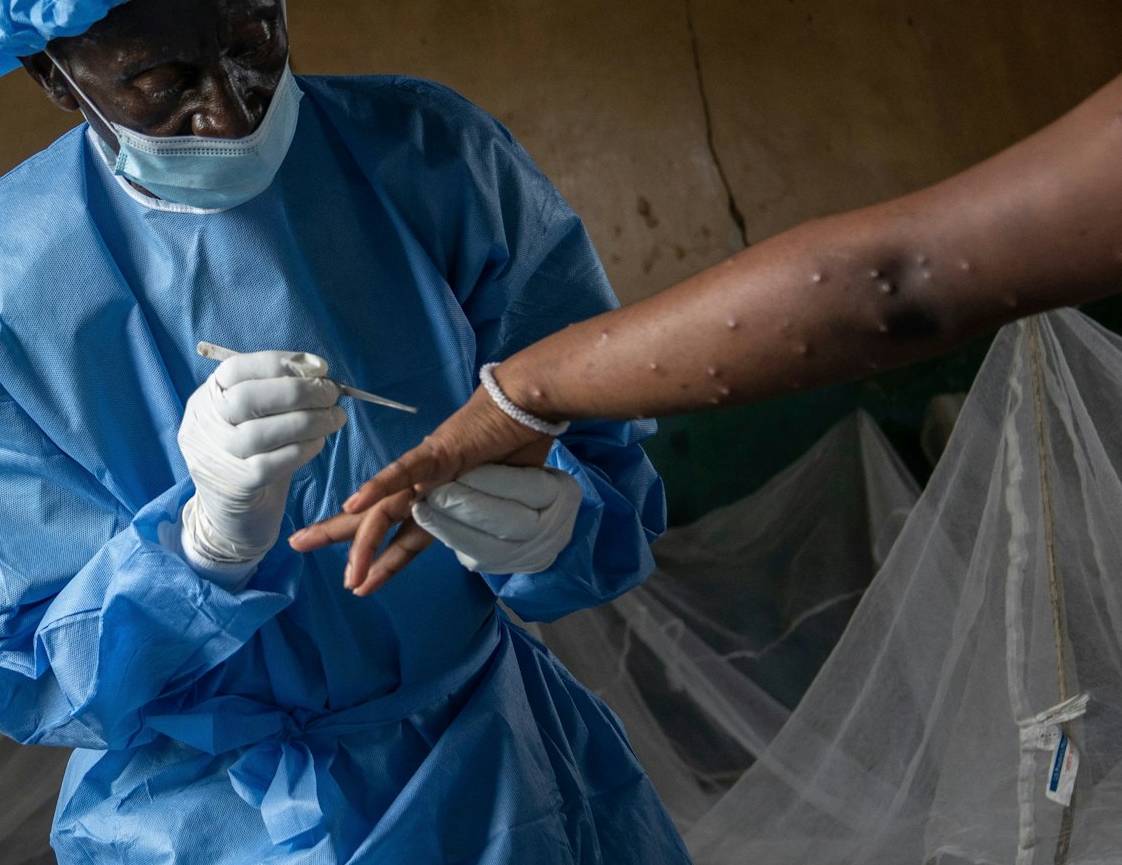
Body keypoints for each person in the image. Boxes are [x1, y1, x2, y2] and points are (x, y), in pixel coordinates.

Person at [0, 0, 745, 865]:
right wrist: (200, 545)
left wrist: (553, 518)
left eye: (253, 44)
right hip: (199, 843)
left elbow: (597, 458)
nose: (229, 112)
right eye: (159, 83)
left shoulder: (434, 162)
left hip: (481, 791)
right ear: (52, 75)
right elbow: (3, 652)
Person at [293, 71, 1122, 595]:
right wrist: (521, 397)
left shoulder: (438, 153)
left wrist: (522, 397)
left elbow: (897, 281)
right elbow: (896, 278)